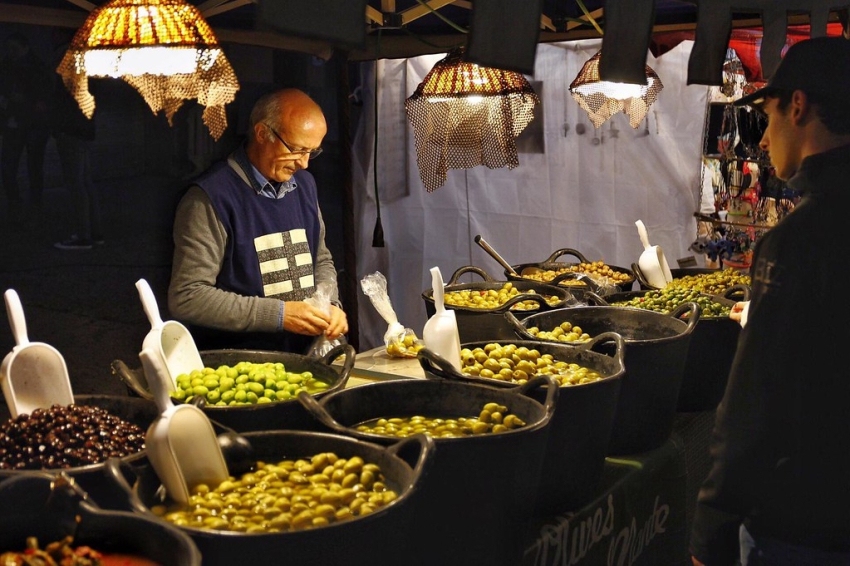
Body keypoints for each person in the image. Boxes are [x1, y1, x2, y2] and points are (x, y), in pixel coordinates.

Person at [689, 36, 850, 566]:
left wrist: (710, 528)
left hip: (803, 525)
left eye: (768, 115)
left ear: (798, 106)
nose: (761, 141)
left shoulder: (801, 238)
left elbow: (754, 406)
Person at [167, 88, 348, 354]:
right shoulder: (210, 197)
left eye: (313, 151)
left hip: (304, 356)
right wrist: (280, 315)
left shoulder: (305, 185)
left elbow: (320, 260)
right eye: (297, 149)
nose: (305, 163)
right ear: (263, 133)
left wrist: (330, 303)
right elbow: (188, 296)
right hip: (239, 362)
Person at [50, 28, 104, 250]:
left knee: (77, 183)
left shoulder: (69, 61)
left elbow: (65, 101)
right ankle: (94, 232)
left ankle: (84, 235)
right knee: (84, 182)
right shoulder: (86, 62)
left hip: (71, 130)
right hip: (81, 129)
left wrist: (59, 126)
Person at [0, 31, 53, 220]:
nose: (11, 52)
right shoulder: (11, 66)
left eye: (14, 49)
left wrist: (22, 101)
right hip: (20, 123)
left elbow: (44, 100)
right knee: (17, 166)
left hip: (28, 124)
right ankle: (23, 205)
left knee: (31, 165)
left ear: (25, 48)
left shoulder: (35, 68)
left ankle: (28, 205)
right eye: (9, 49)